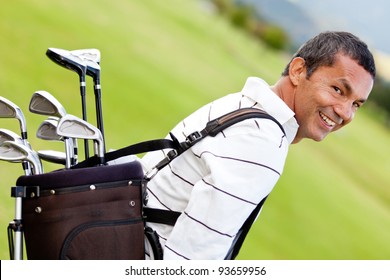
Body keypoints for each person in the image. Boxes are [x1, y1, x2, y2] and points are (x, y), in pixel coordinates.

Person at [141, 31, 376, 259]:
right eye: (338, 90)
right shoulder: (262, 142)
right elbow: (191, 257)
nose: (345, 113)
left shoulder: (243, 105)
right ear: (298, 71)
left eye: (356, 104)